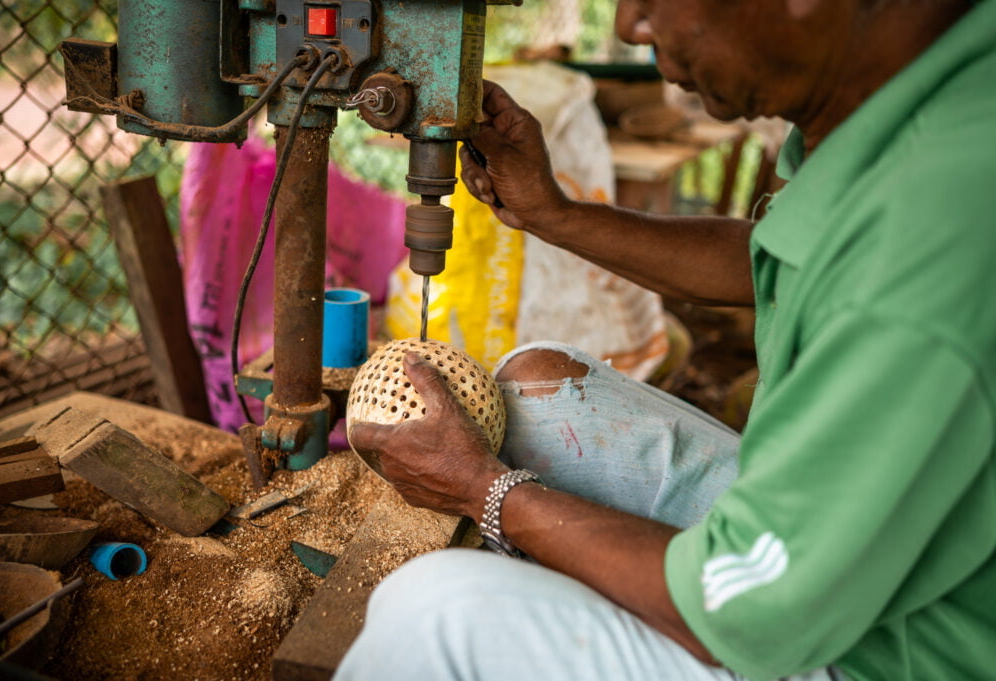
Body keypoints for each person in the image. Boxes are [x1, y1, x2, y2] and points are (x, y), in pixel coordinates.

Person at [336, 0, 996, 679]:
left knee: (434, 616)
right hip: (860, 537)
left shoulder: (932, 236)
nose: (629, 27)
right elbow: (774, 256)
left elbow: (749, 615)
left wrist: (485, 489)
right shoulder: (918, 95)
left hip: (880, 651)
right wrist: (552, 213)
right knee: (539, 388)